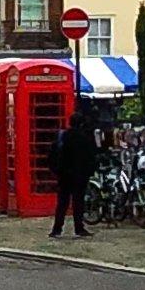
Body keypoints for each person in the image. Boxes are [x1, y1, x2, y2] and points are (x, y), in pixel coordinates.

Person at [50, 101, 100, 238]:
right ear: (81, 123)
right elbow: (91, 156)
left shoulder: (62, 136)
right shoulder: (85, 138)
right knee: (78, 203)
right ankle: (79, 228)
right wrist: (90, 171)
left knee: (62, 203)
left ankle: (56, 229)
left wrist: (55, 170)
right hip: (80, 175)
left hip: (64, 175)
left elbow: (53, 154)